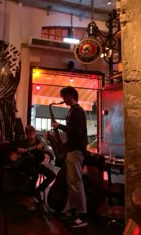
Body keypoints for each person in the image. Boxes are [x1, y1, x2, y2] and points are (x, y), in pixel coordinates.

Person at [52, 86, 88, 228]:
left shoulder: (77, 111)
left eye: (64, 97)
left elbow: (78, 132)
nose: (63, 100)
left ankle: (83, 215)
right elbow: (75, 133)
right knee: (71, 182)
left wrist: (59, 126)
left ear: (71, 95)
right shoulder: (74, 111)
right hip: (72, 150)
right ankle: (72, 211)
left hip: (76, 152)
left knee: (76, 183)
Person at [14, 125, 56, 209]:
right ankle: (32, 195)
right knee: (35, 174)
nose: (32, 136)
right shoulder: (23, 142)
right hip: (25, 164)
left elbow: (41, 159)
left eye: (33, 134)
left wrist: (40, 151)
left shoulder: (37, 143)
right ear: (26, 134)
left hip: (35, 164)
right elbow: (12, 147)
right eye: (30, 134)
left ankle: (38, 191)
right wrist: (18, 149)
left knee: (52, 175)